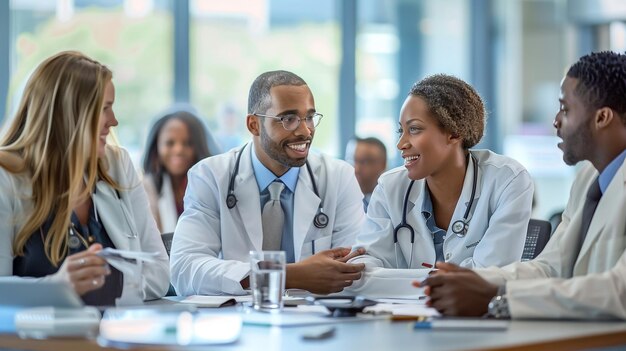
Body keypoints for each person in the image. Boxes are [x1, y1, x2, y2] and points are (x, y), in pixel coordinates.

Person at [420, 51, 626, 320]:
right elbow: (550, 268)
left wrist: (498, 301)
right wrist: (474, 280)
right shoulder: (588, 177)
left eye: (565, 109)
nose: (556, 120)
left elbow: (618, 292)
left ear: (602, 118)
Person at [170, 70, 366, 296]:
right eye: (288, 119)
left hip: (317, 322)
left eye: (309, 117)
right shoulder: (211, 177)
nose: (305, 131)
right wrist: (286, 275)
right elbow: (184, 270)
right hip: (238, 323)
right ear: (254, 125)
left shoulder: (338, 177)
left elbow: (356, 268)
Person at [0, 51, 170, 305]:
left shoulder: (118, 165)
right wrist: (57, 288)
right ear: (68, 114)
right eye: (105, 109)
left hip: (115, 338)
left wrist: (104, 285)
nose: (114, 121)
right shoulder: (6, 178)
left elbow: (159, 273)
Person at [348, 74, 534, 297]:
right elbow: (361, 274)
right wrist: (444, 280)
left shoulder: (508, 180)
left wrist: (395, 280)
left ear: (454, 132)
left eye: (414, 129)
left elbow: (487, 280)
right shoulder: (391, 187)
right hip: (403, 322)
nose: (401, 144)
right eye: (401, 131)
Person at [142, 107, 214, 233]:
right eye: (170, 143)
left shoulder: (212, 185)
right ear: (156, 148)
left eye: (188, 143)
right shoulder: (146, 187)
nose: (178, 150)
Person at [345, 136, 387, 212]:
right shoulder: (340, 199)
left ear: (383, 164)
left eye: (365, 162)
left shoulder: (392, 201)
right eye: (351, 160)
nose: (356, 169)